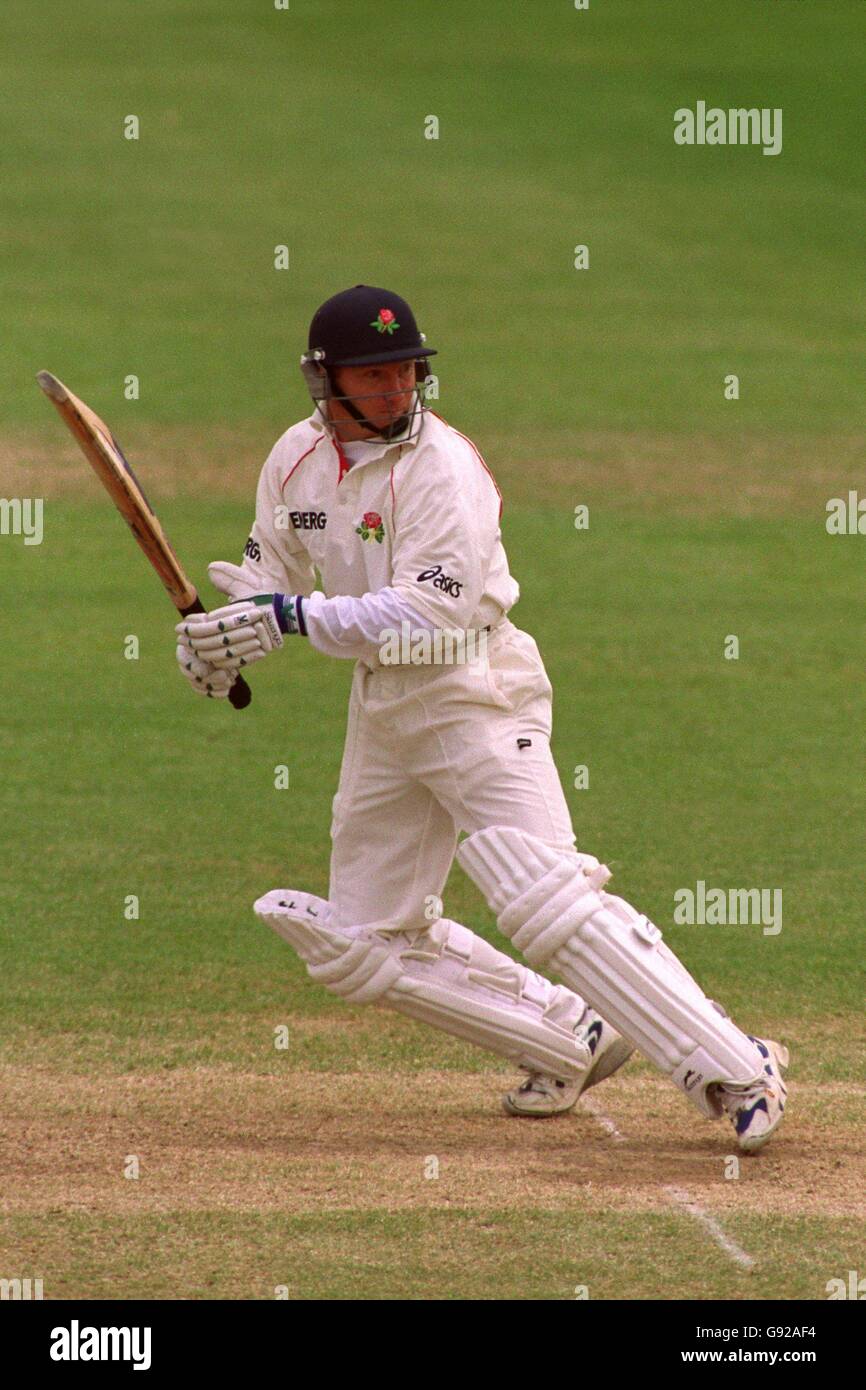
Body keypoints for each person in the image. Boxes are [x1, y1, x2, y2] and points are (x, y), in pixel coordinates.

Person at [176, 285, 788, 1149]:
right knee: (364, 941)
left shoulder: (443, 469)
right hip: (384, 706)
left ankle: (739, 1066)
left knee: (547, 897)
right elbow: (266, 579)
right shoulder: (294, 460)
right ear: (326, 382)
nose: (395, 391)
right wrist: (218, 641)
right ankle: (569, 1033)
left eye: (405, 372)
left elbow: (425, 618)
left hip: (473, 687)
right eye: (374, 375)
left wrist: (288, 618)